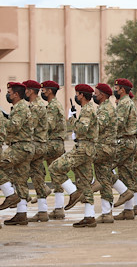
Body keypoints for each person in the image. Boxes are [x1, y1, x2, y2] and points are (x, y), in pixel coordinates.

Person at [50, 83, 98, 228]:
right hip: (87, 148)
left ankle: (73, 192)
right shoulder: (86, 109)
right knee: (85, 182)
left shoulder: (87, 110)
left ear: (82, 95)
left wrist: (72, 119)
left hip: (83, 149)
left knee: (54, 168)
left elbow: (82, 129)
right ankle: (89, 217)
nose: (76, 97)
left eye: (77, 94)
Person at [0, 82, 34, 225]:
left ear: (16, 94)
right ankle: (21, 213)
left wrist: (1, 117)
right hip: (24, 147)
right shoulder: (19, 107)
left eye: (10, 92)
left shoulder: (20, 107)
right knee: (20, 180)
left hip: (20, 147)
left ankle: (10, 195)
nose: (8, 94)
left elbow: (14, 127)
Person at [111, 78, 137, 220]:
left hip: (124, 141)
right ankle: (129, 210)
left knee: (104, 168)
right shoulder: (130, 103)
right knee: (126, 174)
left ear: (122, 89)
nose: (114, 90)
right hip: (131, 141)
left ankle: (124, 192)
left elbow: (118, 123)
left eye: (116, 88)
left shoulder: (123, 103)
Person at [22, 80, 49, 223]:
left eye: (25, 90)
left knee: (18, 171)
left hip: (35, 145)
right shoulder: (36, 105)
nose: (24, 93)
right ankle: (43, 211)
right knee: (37, 176)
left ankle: (21, 205)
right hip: (39, 144)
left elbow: (28, 126)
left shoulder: (36, 107)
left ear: (30, 91)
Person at [40, 80, 67, 219]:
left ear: (49, 91)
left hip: (51, 144)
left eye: (43, 90)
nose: (42, 92)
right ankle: (58, 208)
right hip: (58, 144)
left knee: (33, 162)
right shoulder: (57, 104)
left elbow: (48, 125)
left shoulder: (52, 106)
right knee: (56, 175)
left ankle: (43, 189)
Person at [92, 83, 117, 223]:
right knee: (105, 180)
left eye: (96, 93)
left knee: (79, 158)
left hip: (103, 148)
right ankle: (107, 213)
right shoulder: (104, 107)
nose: (94, 96)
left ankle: (91, 183)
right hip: (106, 148)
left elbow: (97, 127)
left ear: (102, 95)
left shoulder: (105, 109)